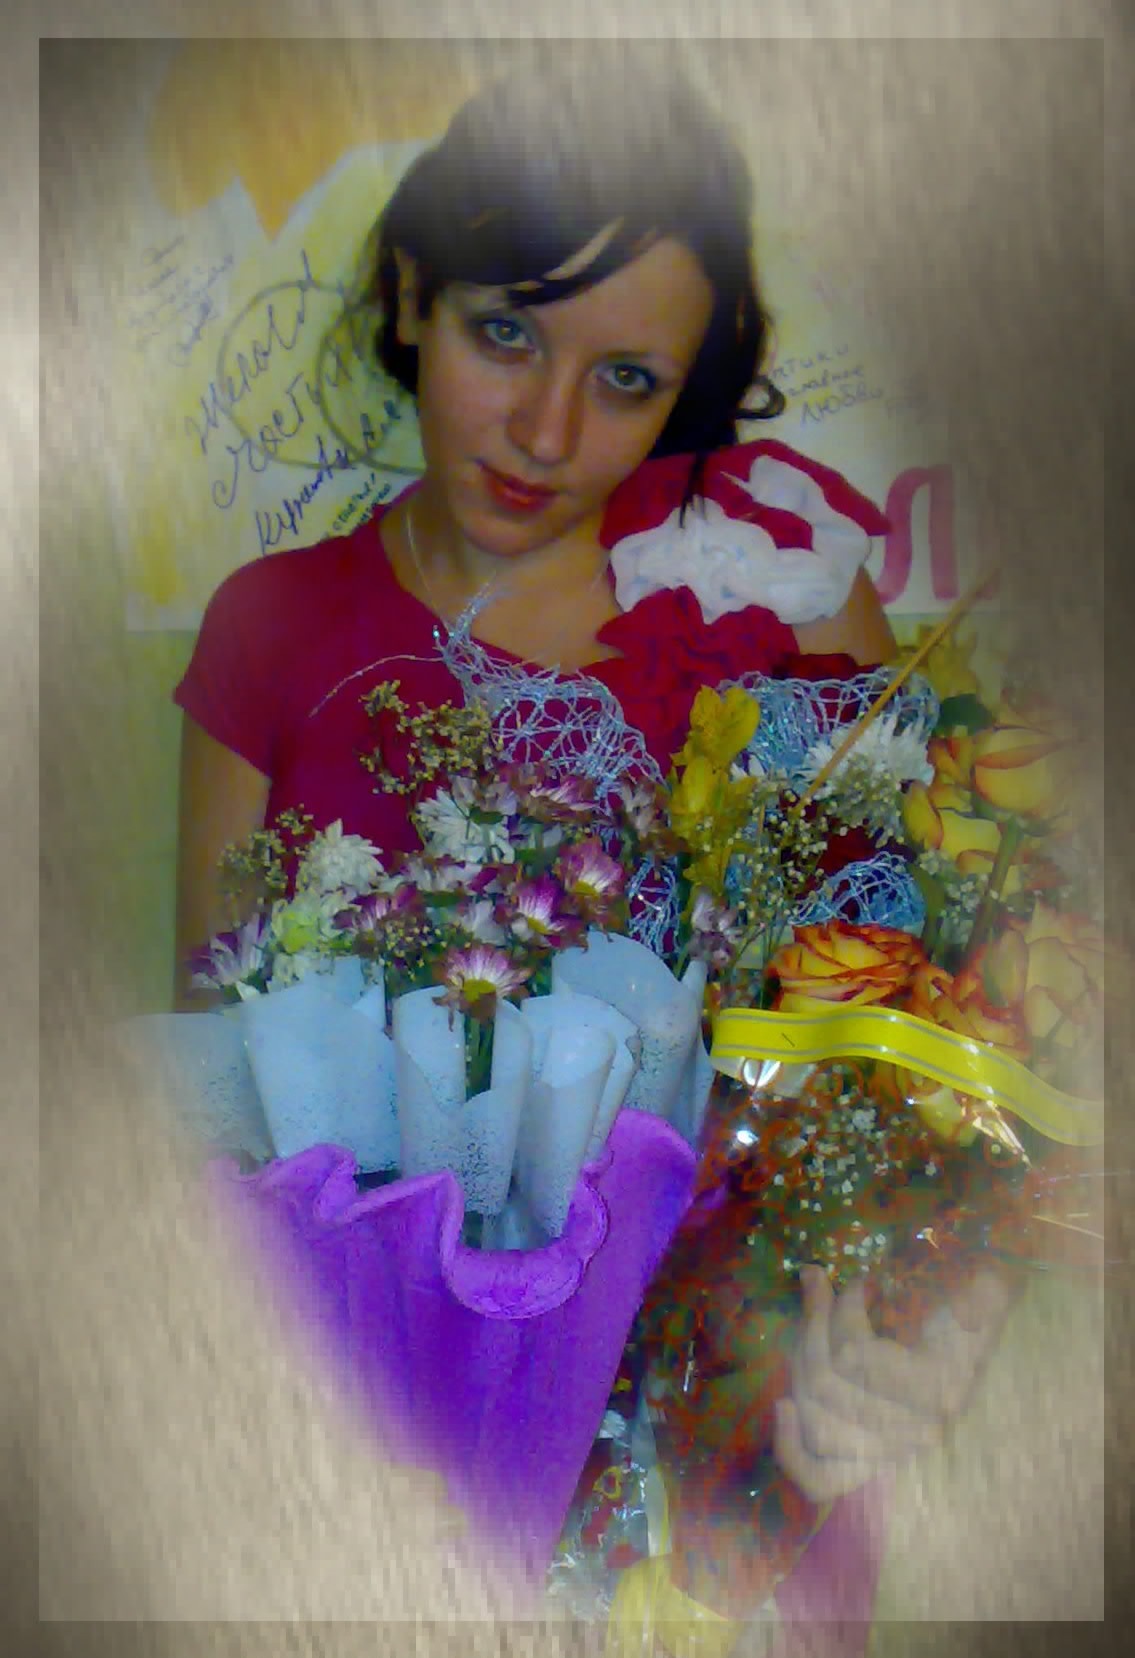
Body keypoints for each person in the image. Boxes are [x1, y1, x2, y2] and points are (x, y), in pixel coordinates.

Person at [172, 50, 1009, 1575]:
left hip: (725, 1456)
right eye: (505, 332)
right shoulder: (269, 626)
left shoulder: (785, 598)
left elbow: (908, 1056)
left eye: (626, 378)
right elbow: (228, 1109)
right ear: (413, 292)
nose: (546, 433)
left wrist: (926, 1330)